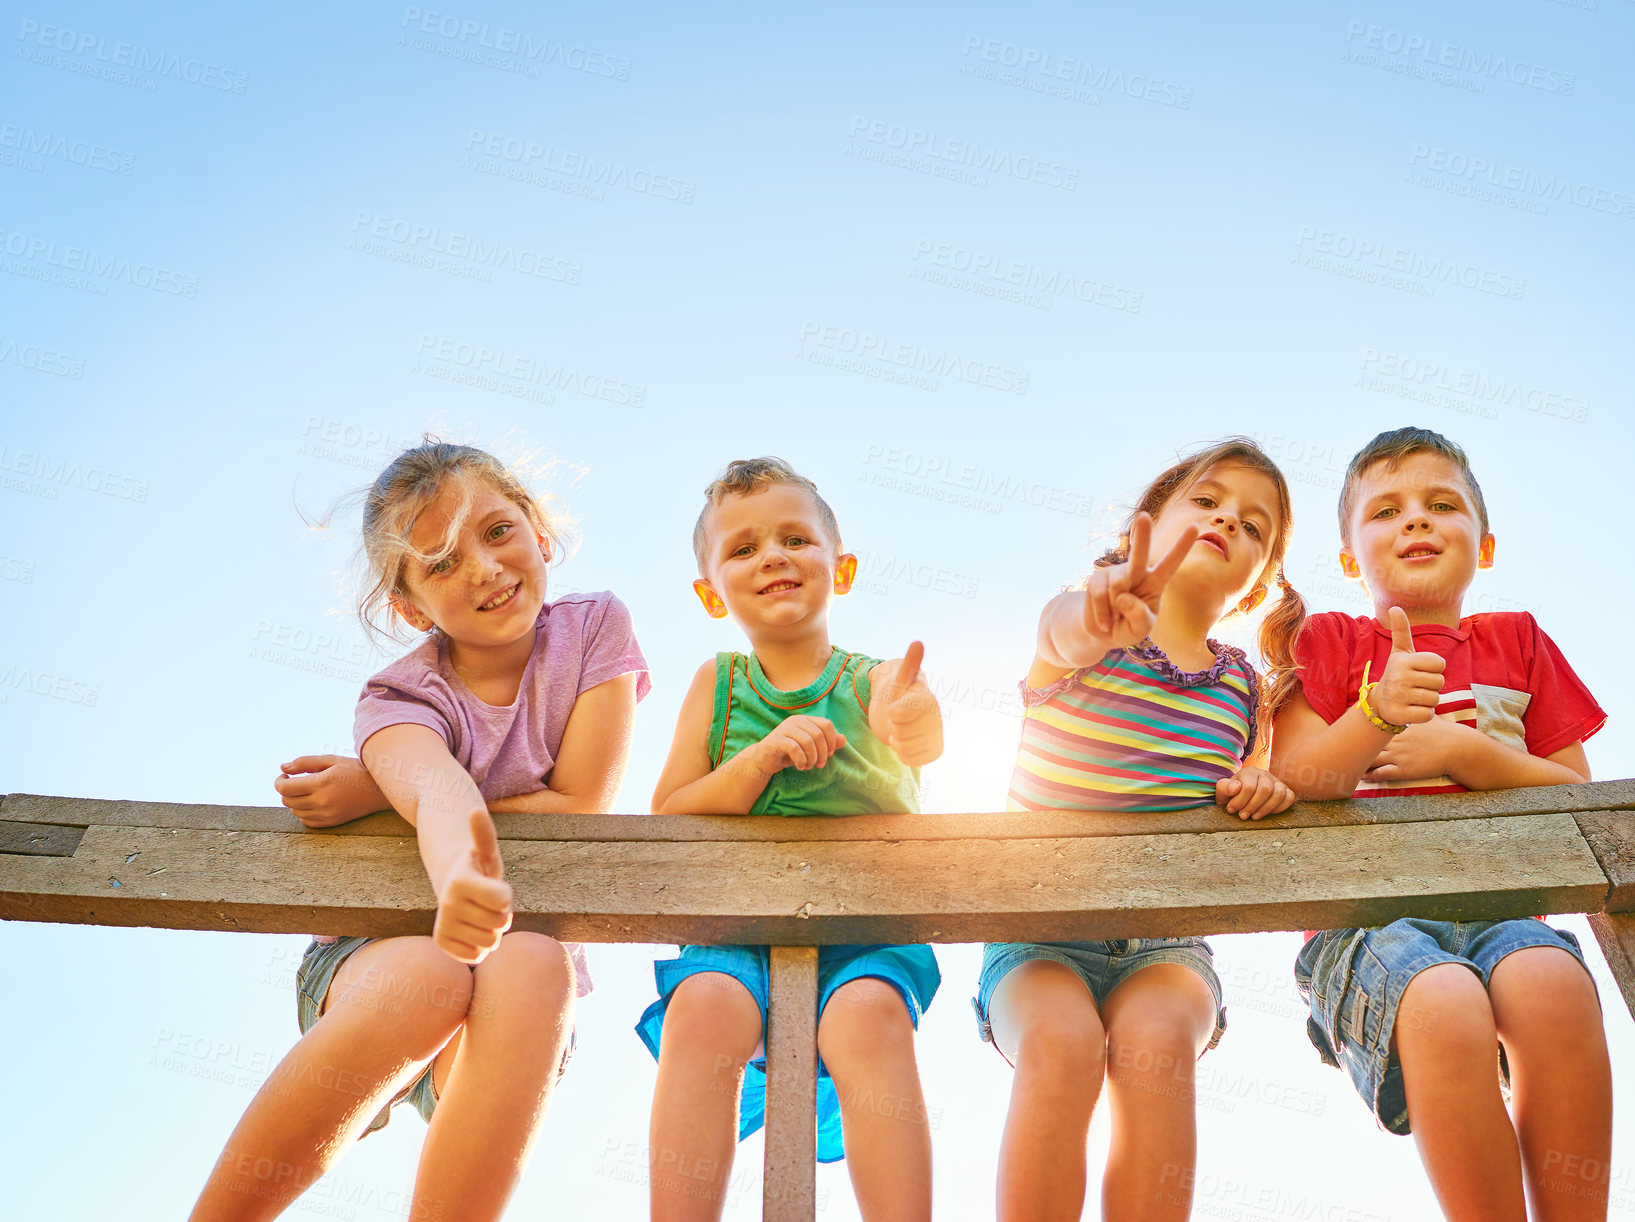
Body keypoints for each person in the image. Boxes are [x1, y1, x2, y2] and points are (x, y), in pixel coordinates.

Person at [190, 440, 649, 1222]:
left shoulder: (594, 628)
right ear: (410, 608)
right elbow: (437, 793)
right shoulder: (398, 696)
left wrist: (374, 789)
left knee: (534, 962)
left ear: (539, 532)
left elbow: (581, 806)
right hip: (371, 969)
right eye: (438, 563)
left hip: (512, 1002)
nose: (481, 567)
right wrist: (462, 869)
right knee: (428, 978)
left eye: (497, 531)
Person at [1271, 426, 1610, 1221]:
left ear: (1483, 546)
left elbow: (1576, 795)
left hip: (1502, 918)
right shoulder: (1327, 642)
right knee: (1442, 1000)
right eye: (1385, 511)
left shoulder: (1517, 641)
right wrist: (1373, 713)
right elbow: (1297, 777)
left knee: (1553, 982)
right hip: (1365, 930)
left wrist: (1473, 754)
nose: (1416, 521)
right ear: (1351, 557)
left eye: (1441, 504)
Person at [973, 438, 1303, 1222]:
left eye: (1254, 526)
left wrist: (1260, 782)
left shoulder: (1241, 686)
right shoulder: (1091, 619)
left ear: (1260, 579)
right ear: (1146, 526)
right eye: (1208, 500)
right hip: (1038, 934)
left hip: (1166, 944)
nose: (1227, 520)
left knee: (1155, 1049)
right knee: (1062, 1046)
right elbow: (1061, 632)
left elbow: (1248, 777)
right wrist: (1102, 605)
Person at [638, 457, 943, 1222]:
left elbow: (911, 726)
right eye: (742, 550)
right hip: (733, 926)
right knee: (702, 1006)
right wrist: (758, 756)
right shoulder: (720, 682)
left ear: (839, 569)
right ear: (711, 593)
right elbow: (671, 812)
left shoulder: (872, 677)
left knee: (869, 1013)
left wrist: (913, 722)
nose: (771, 556)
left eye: (794, 539)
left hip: (865, 926)